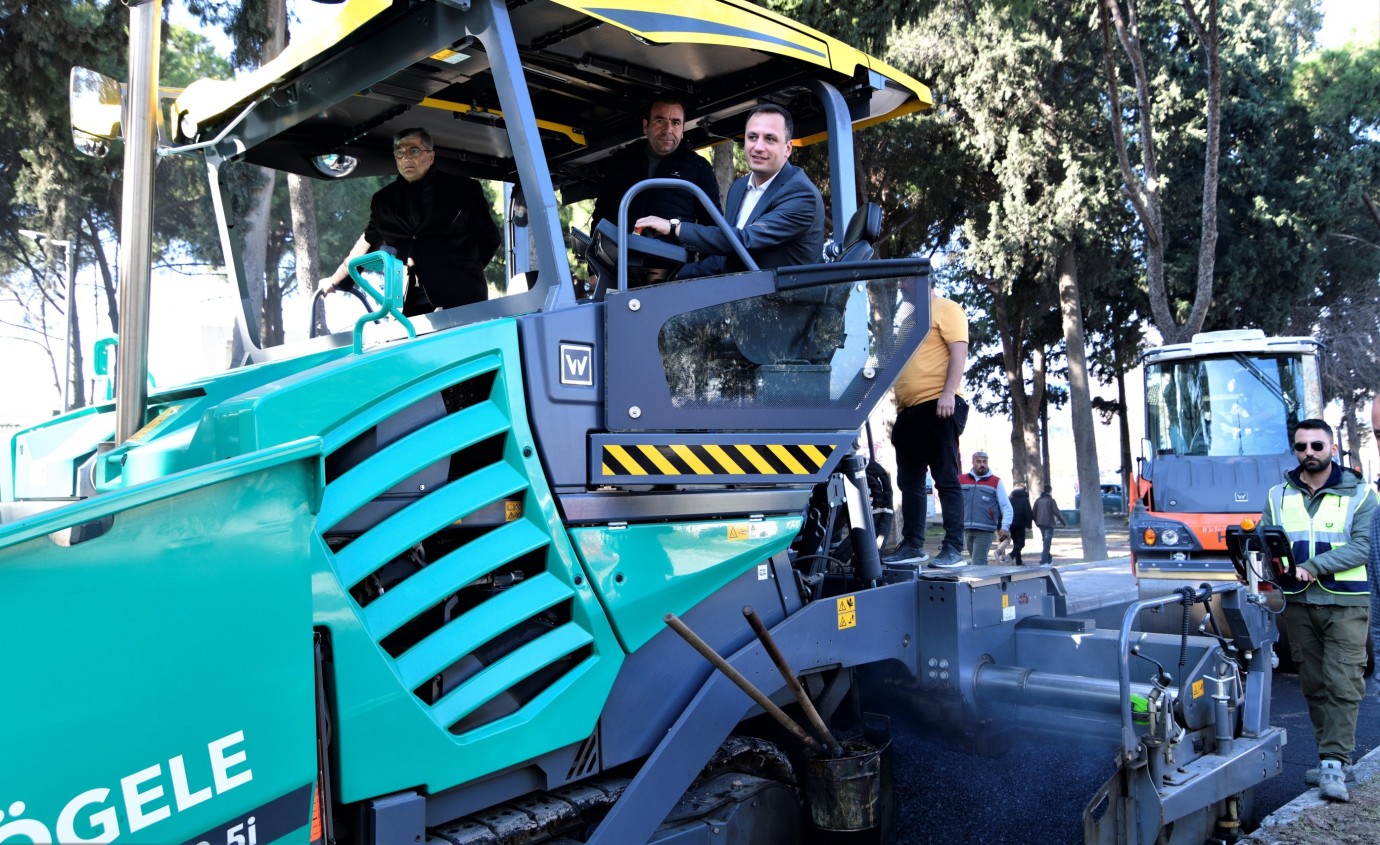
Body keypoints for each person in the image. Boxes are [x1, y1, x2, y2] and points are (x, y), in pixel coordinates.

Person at [1263, 419, 1374, 803]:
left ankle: (1332, 762)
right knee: (1313, 684)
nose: (1309, 452)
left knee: (1343, 682)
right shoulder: (1278, 495)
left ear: (1333, 448)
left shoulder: (1361, 494)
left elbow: (1363, 547)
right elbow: (1267, 541)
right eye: (1301, 446)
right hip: (1299, 604)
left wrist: (1313, 566)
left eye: (1316, 445)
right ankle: (1330, 758)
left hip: (1347, 602)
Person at [320, 127, 501, 317]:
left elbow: (489, 239)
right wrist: (336, 280)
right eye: (399, 153)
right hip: (408, 304)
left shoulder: (464, 189)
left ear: (430, 156)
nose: (406, 158)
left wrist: (465, 272)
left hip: (463, 299)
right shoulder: (383, 201)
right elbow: (368, 241)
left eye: (413, 151)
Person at [635, 103, 824, 274]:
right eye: (752, 137)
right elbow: (723, 259)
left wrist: (673, 227)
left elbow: (744, 241)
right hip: (742, 299)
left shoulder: (800, 194)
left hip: (785, 306)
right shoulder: (739, 187)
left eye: (770, 139)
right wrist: (669, 277)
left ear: (788, 148)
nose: (758, 147)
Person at [882, 288, 969, 569]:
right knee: (909, 483)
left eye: (906, 281)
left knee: (945, 478)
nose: (901, 288)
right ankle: (912, 546)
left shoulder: (947, 308)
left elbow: (959, 351)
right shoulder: (909, 323)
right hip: (909, 412)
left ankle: (954, 548)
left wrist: (948, 394)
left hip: (939, 404)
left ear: (923, 280)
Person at [591, 97, 721, 233]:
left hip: (672, 253)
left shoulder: (699, 168)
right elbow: (601, 216)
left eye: (676, 123)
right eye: (660, 121)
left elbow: (712, 230)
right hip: (622, 251)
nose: (668, 130)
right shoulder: (622, 161)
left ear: (683, 129)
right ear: (646, 126)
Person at [960, 451, 1012, 564]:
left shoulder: (995, 481)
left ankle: (979, 580)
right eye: (978, 461)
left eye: (984, 461)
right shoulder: (962, 480)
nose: (982, 464)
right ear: (973, 462)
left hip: (985, 530)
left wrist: (1005, 526)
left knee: (977, 563)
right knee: (978, 562)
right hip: (966, 528)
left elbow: (1006, 506)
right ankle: (986, 579)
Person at [1032, 486, 1066, 564]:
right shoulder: (1051, 501)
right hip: (1049, 523)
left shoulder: (1038, 500)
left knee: (1045, 541)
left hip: (1040, 523)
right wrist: (1063, 522)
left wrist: (1036, 522)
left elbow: (1033, 513)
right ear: (1050, 491)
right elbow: (1057, 512)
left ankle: (1048, 558)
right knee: (1047, 542)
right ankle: (1043, 560)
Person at [1009, 483, 1034, 565]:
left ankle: (1018, 561)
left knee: (1016, 542)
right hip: (1020, 523)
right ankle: (1011, 555)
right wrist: (1029, 525)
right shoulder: (1025, 499)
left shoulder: (1010, 499)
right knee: (1021, 543)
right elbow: (1028, 512)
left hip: (1011, 523)